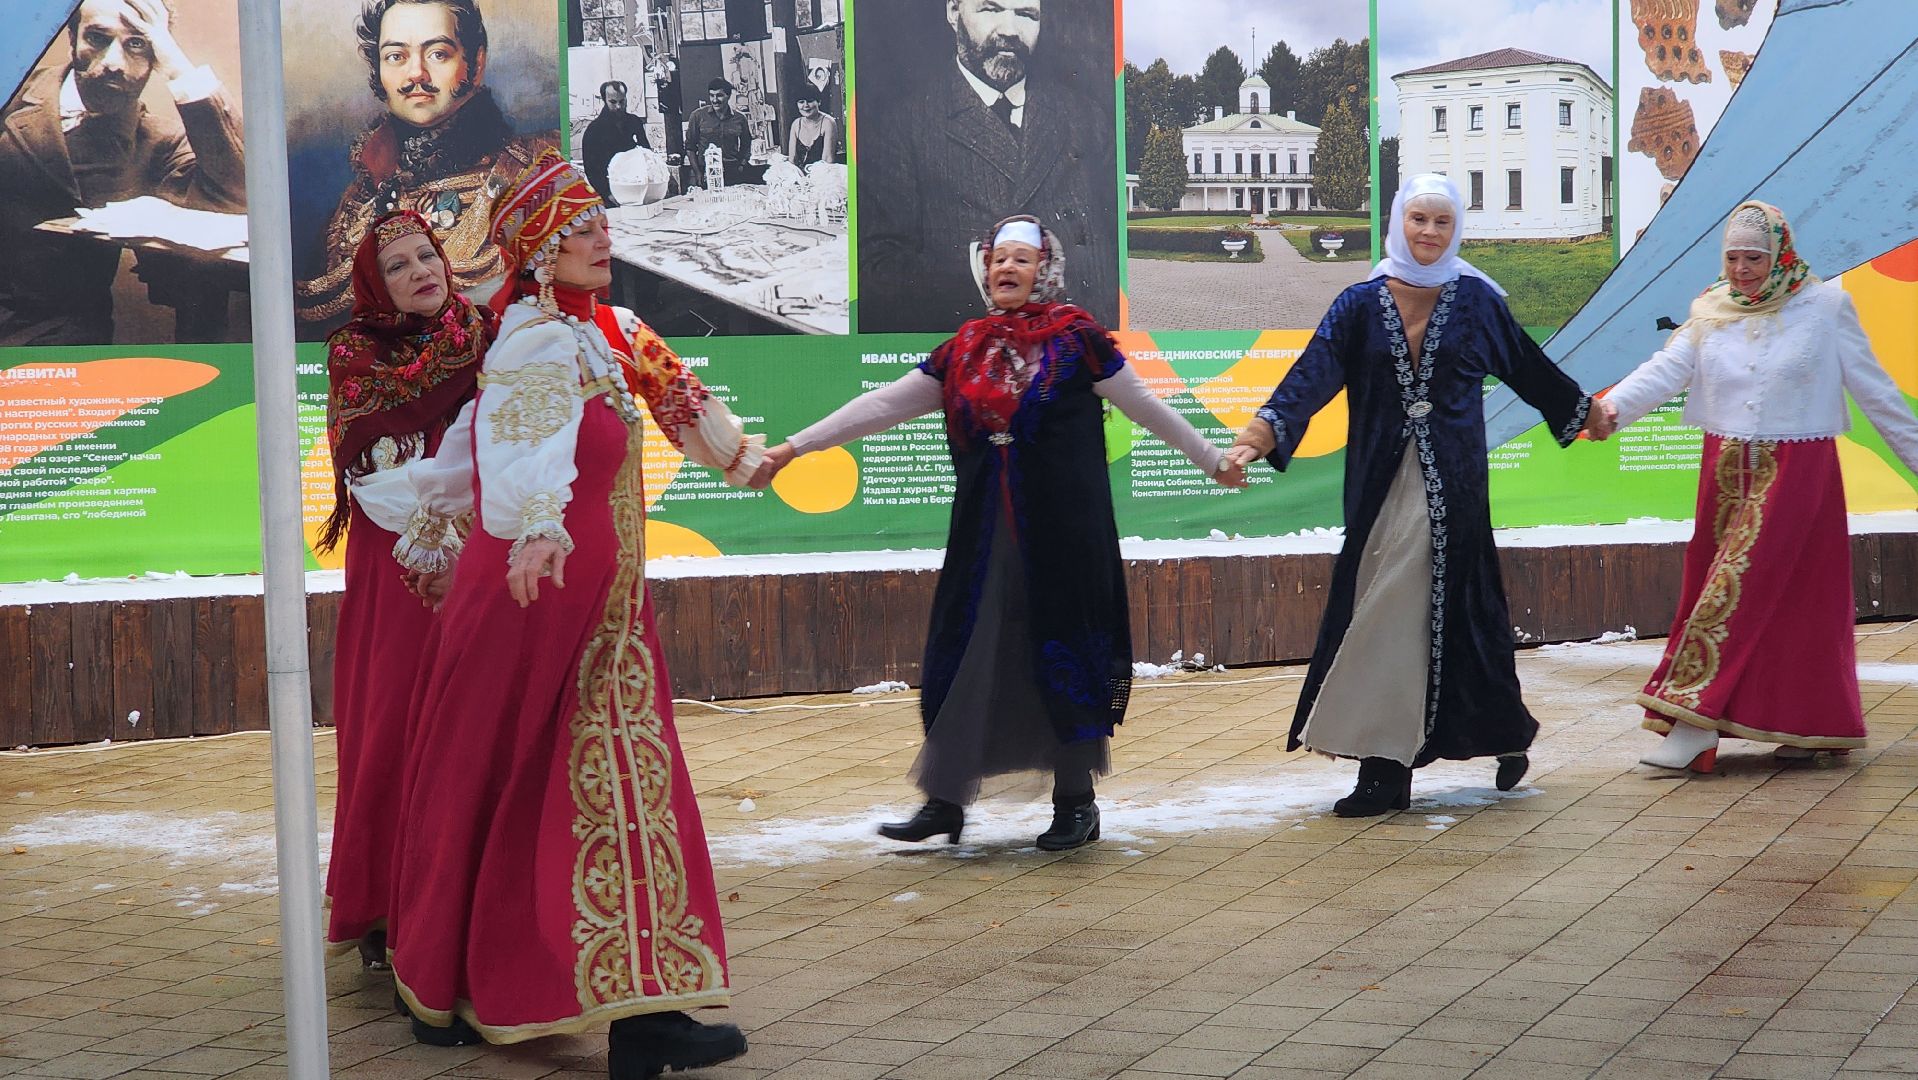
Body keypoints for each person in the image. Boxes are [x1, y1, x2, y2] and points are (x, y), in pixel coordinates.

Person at [384, 149, 758, 1078]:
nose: (604, 235)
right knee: (560, 780)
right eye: (582, 227)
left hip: (596, 601)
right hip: (542, 597)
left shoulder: (610, 329)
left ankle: (619, 1007)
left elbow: (683, 402)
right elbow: (517, 449)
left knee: (594, 783)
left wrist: (752, 459)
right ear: (540, 251)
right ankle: (535, 994)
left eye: (600, 221)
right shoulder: (535, 341)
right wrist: (537, 531)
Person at [757, 216, 1246, 850]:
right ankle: (946, 801)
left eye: (1022, 259)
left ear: (1047, 269)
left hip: (1065, 538)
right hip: (986, 538)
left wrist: (1213, 460)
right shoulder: (964, 348)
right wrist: (793, 449)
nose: (1007, 269)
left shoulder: (1079, 341)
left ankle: (1076, 802)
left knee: (1066, 653)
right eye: (998, 259)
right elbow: (880, 404)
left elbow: (1147, 407)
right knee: (966, 655)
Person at [1222, 174, 1606, 817]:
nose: (1429, 233)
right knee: (1435, 615)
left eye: (1442, 223)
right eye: (1418, 220)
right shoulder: (1357, 303)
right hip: (1378, 487)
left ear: (1456, 230)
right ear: (1397, 222)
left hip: (1451, 489)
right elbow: (1309, 375)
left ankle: (1385, 771)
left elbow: (1528, 365)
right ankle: (1502, 732)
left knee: (1397, 610)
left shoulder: (1479, 303)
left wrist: (1582, 411)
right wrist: (1258, 435)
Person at [1593, 201, 1918, 773]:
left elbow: (1878, 394)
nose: (1743, 270)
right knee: (1789, 601)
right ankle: (1811, 725)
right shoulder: (1712, 309)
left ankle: (1694, 722)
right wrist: (1609, 410)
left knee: (1735, 588)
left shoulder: (1825, 308)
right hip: (1725, 471)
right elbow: (1667, 369)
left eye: (1756, 258)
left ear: (1781, 255)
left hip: (1797, 472)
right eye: (1734, 257)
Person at [317, 209, 494, 969]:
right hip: (400, 569)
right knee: (396, 727)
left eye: (428, 256)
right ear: (373, 283)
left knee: (470, 728)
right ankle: (385, 906)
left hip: (483, 563)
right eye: (399, 266)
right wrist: (444, 528)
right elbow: (372, 483)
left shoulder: (484, 334)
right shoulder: (358, 354)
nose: (421, 271)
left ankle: (467, 902)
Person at [856, 0, 1119, 333]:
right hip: (979, 365)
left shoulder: (1085, 117)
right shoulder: (902, 128)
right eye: (991, 9)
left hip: (1085, 357)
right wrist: (987, 268)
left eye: (1026, 15)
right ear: (954, 11)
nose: (1009, 30)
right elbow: (876, 270)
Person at [295, 0, 553, 331]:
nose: (415, 73)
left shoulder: (531, 172)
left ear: (476, 61)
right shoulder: (358, 196)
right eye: (396, 57)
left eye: (438, 54)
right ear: (379, 72)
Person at [0, 0, 245, 346]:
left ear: (155, 59)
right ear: (72, 39)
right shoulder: (11, 93)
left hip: (60, 336)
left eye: (137, 44)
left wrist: (178, 66)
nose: (114, 63)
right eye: (98, 38)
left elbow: (237, 196)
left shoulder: (159, 141)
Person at [581, 79, 651, 207]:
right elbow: (591, 169)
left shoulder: (635, 122)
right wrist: (607, 193)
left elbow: (647, 154)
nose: (618, 106)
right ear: (604, 100)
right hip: (609, 196)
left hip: (638, 191)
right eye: (613, 102)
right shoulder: (594, 130)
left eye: (622, 101)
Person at [683, 77, 751, 187]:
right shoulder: (697, 116)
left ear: (728, 96)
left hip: (732, 173)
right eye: (711, 95)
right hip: (706, 172)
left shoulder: (740, 119)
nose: (715, 100)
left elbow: (746, 144)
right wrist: (697, 173)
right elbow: (690, 147)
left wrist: (741, 165)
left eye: (719, 95)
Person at [785, 90, 835, 168]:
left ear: (819, 102)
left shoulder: (828, 122)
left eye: (810, 101)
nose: (806, 105)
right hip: (800, 175)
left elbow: (828, 160)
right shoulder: (796, 124)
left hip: (823, 173)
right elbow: (792, 159)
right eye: (801, 102)